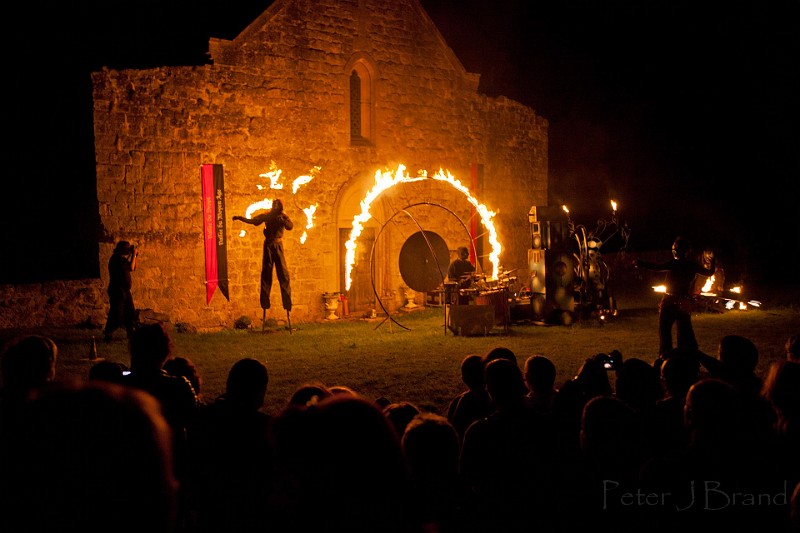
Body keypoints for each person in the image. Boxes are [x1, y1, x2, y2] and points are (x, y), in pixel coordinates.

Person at [635, 236, 715, 356]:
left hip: (670, 301)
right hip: (683, 302)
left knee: (665, 331)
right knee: (685, 333)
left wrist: (639, 262)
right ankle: (688, 357)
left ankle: (666, 357)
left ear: (678, 250)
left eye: (674, 248)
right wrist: (712, 262)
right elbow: (709, 272)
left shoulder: (675, 263)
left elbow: (657, 267)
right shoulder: (692, 265)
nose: (673, 250)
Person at [232, 199, 294, 315]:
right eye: (274, 204)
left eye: (277, 205)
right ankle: (265, 303)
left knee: (283, 274)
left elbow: (290, 226)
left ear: (280, 206)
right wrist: (240, 218)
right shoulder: (267, 216)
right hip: (269, 245)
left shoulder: (283, 217)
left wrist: (284, 221)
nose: (275, 206)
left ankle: (287, 304)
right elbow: (254, 221)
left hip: (278, 245)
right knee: (266, 274)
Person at [103, 240, 138, 342]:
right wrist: (133, 255)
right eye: (127, 248)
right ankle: (108, 333)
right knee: (117, 312)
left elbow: (134, 267)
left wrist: (135, 256)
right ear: (122, 249)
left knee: (130, 312)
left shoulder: (121, 259)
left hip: (125, 290)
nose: (129, 250)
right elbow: (131, 267)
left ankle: (130, 332)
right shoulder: (116, 259)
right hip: (117, 290)